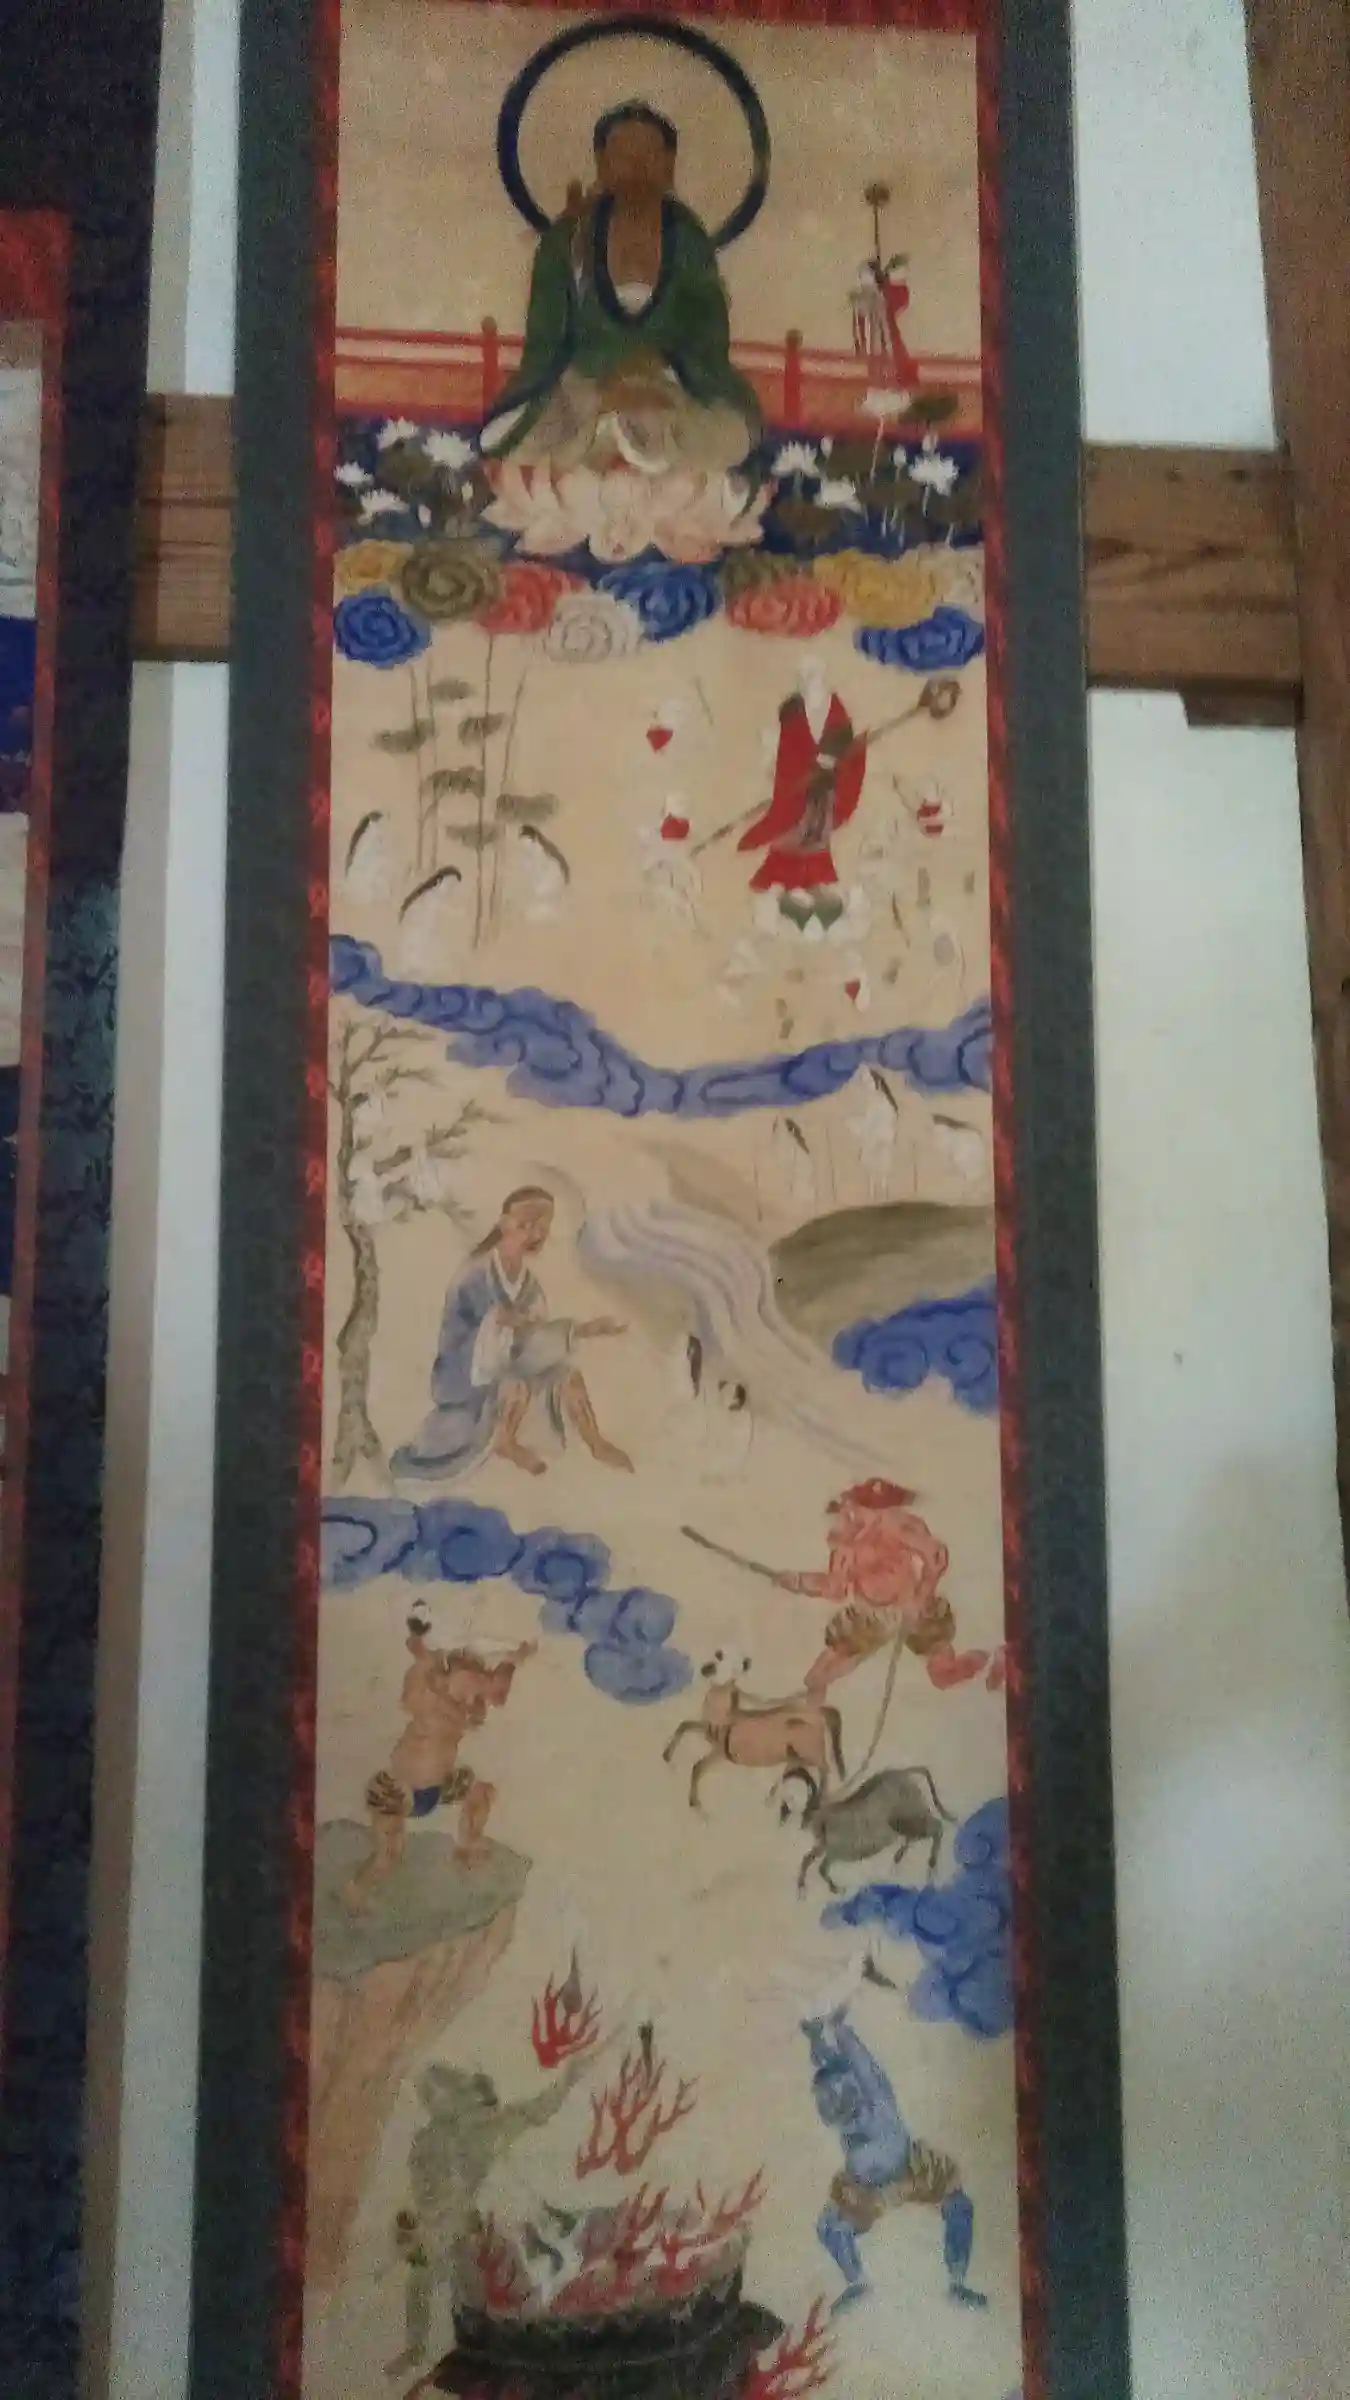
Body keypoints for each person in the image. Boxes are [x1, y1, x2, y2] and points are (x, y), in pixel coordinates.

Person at [480, 101, 761, 477]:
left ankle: (606, 451)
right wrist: (603, 383)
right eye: (623, 154)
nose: (637, 165)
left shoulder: (688, 239)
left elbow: (708, 336)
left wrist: (658, 366)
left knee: (733, 432)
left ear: (669, 165)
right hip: (584, 392)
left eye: (649, 154)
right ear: (602, 163)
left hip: (666, 391)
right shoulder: (567, 239)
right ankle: (618, 446)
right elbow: (545, 340)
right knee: (511, 433)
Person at [390, 1186, 632, 1482]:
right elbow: (462, 1341)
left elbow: (534, 1341)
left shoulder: (529, 1286)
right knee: (513, 1385)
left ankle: (596, 1443)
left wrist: (582, 1331)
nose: (535, 1235)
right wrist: (499, 1321)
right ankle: (505, 1441)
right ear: (504, 1223)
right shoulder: (475, 1275)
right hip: (465, 1377)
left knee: (569, 1376)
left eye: (542, 1227)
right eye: (525, 1225)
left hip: (511, 1366)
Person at [804, 2005, 985, 2311]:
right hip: (867, 2188)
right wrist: (816, 2038)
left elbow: (861, 2063)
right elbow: (829, 2063)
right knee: (828, 2226)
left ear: (854, 2088)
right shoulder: (844, 2117)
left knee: (959, 2206)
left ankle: (958, 2282)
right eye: (827, 2102)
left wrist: (840, 2029)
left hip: (910, 2172)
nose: (835, 2107)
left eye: (839, 2095)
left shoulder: (877, 2099)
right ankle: (857, 2282)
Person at [774, 1477, 992, 1694]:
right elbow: (835, 1588)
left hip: (913, 1606)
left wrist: (922, 1597)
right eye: (846, 1509)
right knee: (817, 1677)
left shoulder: (897, 1527)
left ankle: (991, 1658)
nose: (847, 1514)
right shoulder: (846, 1544)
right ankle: (810, 1709)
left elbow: (937, 1557)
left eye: (854, 1508)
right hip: (869, 1615)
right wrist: (800, 1581)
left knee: (942, 1674)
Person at [738, 656, 866, 931]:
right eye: (807, 675)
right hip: (798, 790)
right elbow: (787, 753)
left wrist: (835, 758)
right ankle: (788, 896)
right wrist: (803, 771)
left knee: (817, 834)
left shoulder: (836, 708)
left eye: (816, 674)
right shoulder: (792, 712)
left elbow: (843, 740)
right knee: (792, 830)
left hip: (827, 790)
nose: (812, 680)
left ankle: (816, 892)